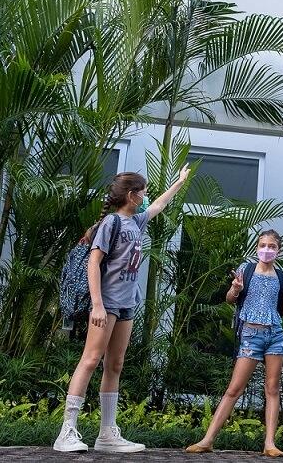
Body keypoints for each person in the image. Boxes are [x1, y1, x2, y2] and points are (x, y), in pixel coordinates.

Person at [53, 167, 190, 453]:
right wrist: (98, 305)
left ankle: (107, 435)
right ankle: (66, 432)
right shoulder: (110, 224)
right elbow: (93, 263)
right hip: (107, 303)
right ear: (131, 195)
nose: (146, 195)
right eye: (142, 190)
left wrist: (179, 183)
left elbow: (159, 205)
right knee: (90, 360)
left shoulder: (137, 222)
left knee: (114, 366)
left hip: (127, 304)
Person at [186, 230, 283, 457]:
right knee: (234, 389)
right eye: (263, 245)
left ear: (278, 250)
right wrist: (235, 289)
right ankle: (207, 440)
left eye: (272, 246)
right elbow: (230, 299)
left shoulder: (280, 277)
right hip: (250, 334)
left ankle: (269, 444)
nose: (266, 250)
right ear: (257, 247)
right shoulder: (245, 270)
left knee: (273, 389)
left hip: (275, 334)